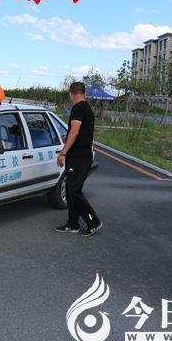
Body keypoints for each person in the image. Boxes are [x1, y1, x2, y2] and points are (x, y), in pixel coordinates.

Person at [54, 82, 102, 237]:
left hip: (78, 157)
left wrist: (63, 153)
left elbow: (74, 132)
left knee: (73, 191)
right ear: (84, 93)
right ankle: (72, 223)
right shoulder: (87, 108)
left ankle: (93, 221)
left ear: (71, 94)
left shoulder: (78, 108)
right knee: (71, 190)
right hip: (82, 156)